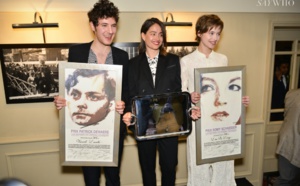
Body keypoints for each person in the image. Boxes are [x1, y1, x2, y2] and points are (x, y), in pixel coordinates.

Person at [53, 0, 129, 185]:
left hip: (113, 130)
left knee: (113, 179)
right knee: (91, 180)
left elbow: (126, 92)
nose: (110, 31)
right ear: (92, 26)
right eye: (104, 25)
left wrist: (123, 104)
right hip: (84, 131)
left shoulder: (122, 56)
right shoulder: (77, 53)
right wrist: (61, 101)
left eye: (113, 26)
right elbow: (69, 89)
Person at [122, 17, 199, 186]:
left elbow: (179, 92)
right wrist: (128, 111)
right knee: (147, 168)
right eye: (153, 33)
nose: (157, 38)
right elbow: (129, 94)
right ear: (143, 35)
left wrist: (189, 108)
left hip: (169, 122)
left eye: (161, 34)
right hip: (144, 123)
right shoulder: (133, 64)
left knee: (169, 167)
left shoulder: (172, 60)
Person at [180, 14, 249, 186]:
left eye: (218, 34)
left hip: (221, 123)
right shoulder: (186, 61)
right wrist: (190, 97)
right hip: (199, 123)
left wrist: (239, 100)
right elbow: (181, 95)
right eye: (211, 33)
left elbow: (226, 90)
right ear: (199, 33)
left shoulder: (222, 59)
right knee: (198, 170)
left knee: (223, 168)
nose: (215, 38)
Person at [274, 89, 300, 186]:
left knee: (286, 179)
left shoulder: (291, 93)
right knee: (286, 180)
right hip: (294, 144)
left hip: (285, 140)